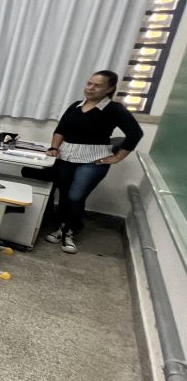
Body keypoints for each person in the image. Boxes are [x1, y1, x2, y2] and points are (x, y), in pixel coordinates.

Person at [43, 70, 143, 254]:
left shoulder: (114, 109)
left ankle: (69, 232)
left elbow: (135, 133)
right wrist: (54, 148)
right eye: (89, 83)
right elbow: (60, 130)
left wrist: (117, 157)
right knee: (64, 193)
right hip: (66, 157)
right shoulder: (76, 106)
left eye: (97, 86)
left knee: (76, 195)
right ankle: (62, 227)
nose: (90, 88)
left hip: (93, 160)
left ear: (109, 89)